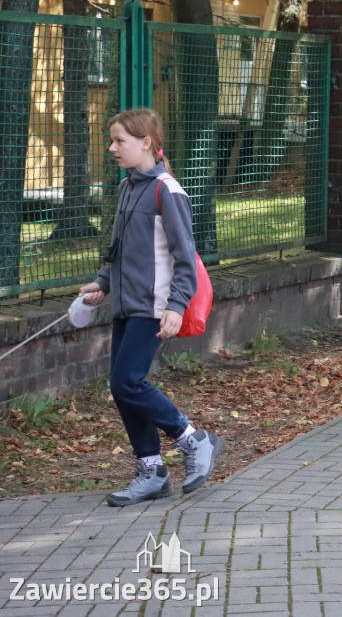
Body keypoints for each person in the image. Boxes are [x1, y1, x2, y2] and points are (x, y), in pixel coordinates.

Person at [79, 108, 223, 507]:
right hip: (127, 305)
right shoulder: (128, 187)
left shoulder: (167, 190)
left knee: (128, 382)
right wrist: (103, 283)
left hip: (155, 307)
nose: (112, 148)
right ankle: (152, 472)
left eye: (119, 141)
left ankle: (194, 439)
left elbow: (185, 256)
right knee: (122, 388)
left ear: (146, 142)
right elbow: (120, 249)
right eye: (111, 140)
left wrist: (176, 306)